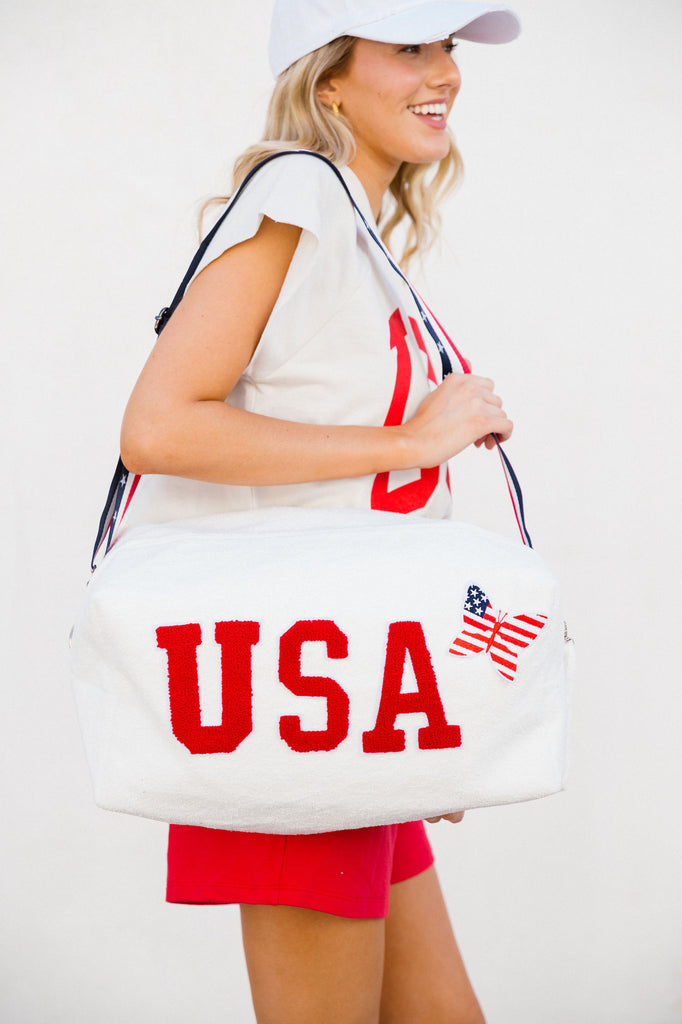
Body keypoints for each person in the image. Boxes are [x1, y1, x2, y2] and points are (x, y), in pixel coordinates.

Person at [120, 1, 520, 1020]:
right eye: (410, 47)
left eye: (447, 48)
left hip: (346, 701)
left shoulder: (354, 227)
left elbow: (354, 509)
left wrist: (417, 725)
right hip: (291, 703)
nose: (444, 72)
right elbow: (158, 426)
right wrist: (410, 439)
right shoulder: (298, 192)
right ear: (328, 74)